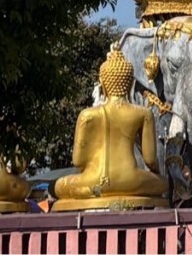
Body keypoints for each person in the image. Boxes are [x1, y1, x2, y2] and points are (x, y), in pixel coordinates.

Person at [53, 49, 168, 210]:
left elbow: (78, 161)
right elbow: (150, 160)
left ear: (103, 83)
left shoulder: (87, 115)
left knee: (59, 186)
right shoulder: (143, 114)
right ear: (130, 83)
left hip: (94, 181)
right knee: (163, 183)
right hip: (131, 181)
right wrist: (156, 174)